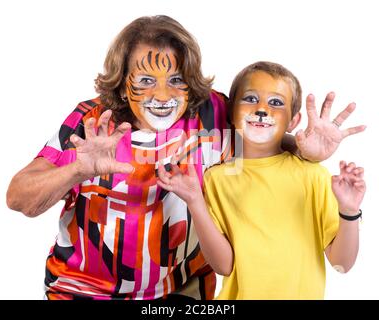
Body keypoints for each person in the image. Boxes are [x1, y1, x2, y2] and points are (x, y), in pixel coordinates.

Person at [6, 16, 365, 300]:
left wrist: (303, 150)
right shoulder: (92, 121)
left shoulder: (212, 111)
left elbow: (260, 134)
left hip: (184, 292)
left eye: (176, 78)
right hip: (86, 291)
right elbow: (19, 198)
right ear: (121, 80)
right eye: (145, 80)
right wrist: (78, 168)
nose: (162, 95)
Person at [156, 61, 366, 299]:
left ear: (293, 121)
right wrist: (195, 202)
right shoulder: (217, 178)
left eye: (276, 102)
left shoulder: (313, 176)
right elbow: (224, 266)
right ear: (232, 112)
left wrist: (349, 211)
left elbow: (342, 263)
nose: (262, 109)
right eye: (251, 99)